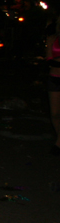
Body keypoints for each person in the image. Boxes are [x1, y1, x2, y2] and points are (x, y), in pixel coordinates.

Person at [46, 17, 60, 156]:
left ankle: (58, 144)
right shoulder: (52, 38)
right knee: (55, 114)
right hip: (54, 78)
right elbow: (49, 58)